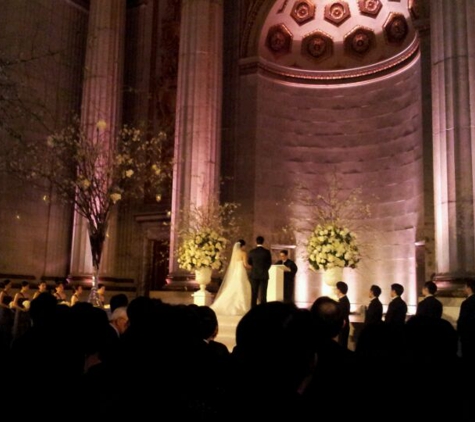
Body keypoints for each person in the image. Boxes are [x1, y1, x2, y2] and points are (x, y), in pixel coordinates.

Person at [211, 240, 252, 316]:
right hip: (241, 272)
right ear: (242, 246)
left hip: (236, 272)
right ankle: (243, 306)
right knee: (242, 287)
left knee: (233, 287)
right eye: (244, 246)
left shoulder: (235, 253)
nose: (245, 247)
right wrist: (253, 267)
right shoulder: (243, 253)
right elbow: (245, 265)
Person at [247, 235, 272, 308]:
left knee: (254, 293)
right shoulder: (267, 252)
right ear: (263, 242)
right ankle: (263, 309)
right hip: (264, 274)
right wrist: (265, 269)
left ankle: (253, 309)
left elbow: (249, 262)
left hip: (254, 274)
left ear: (256, 242)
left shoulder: (252, 252)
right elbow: (269, 263)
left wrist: (255, 267)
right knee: (263, 293)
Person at [457, 279, 475, 360]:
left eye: (465, 287)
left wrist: (458, 333)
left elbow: (462, 321)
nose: (464, 289)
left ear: (469, 288)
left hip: (468, 336)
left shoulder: (466, 303)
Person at [335, 281, 350, 349]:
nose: (335, 290)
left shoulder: (343, 301)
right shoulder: (343, 300)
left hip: (343, 327)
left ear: (339, 290)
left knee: (342, 346)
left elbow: (342, 316)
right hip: (343, 327)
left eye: (336, 288)